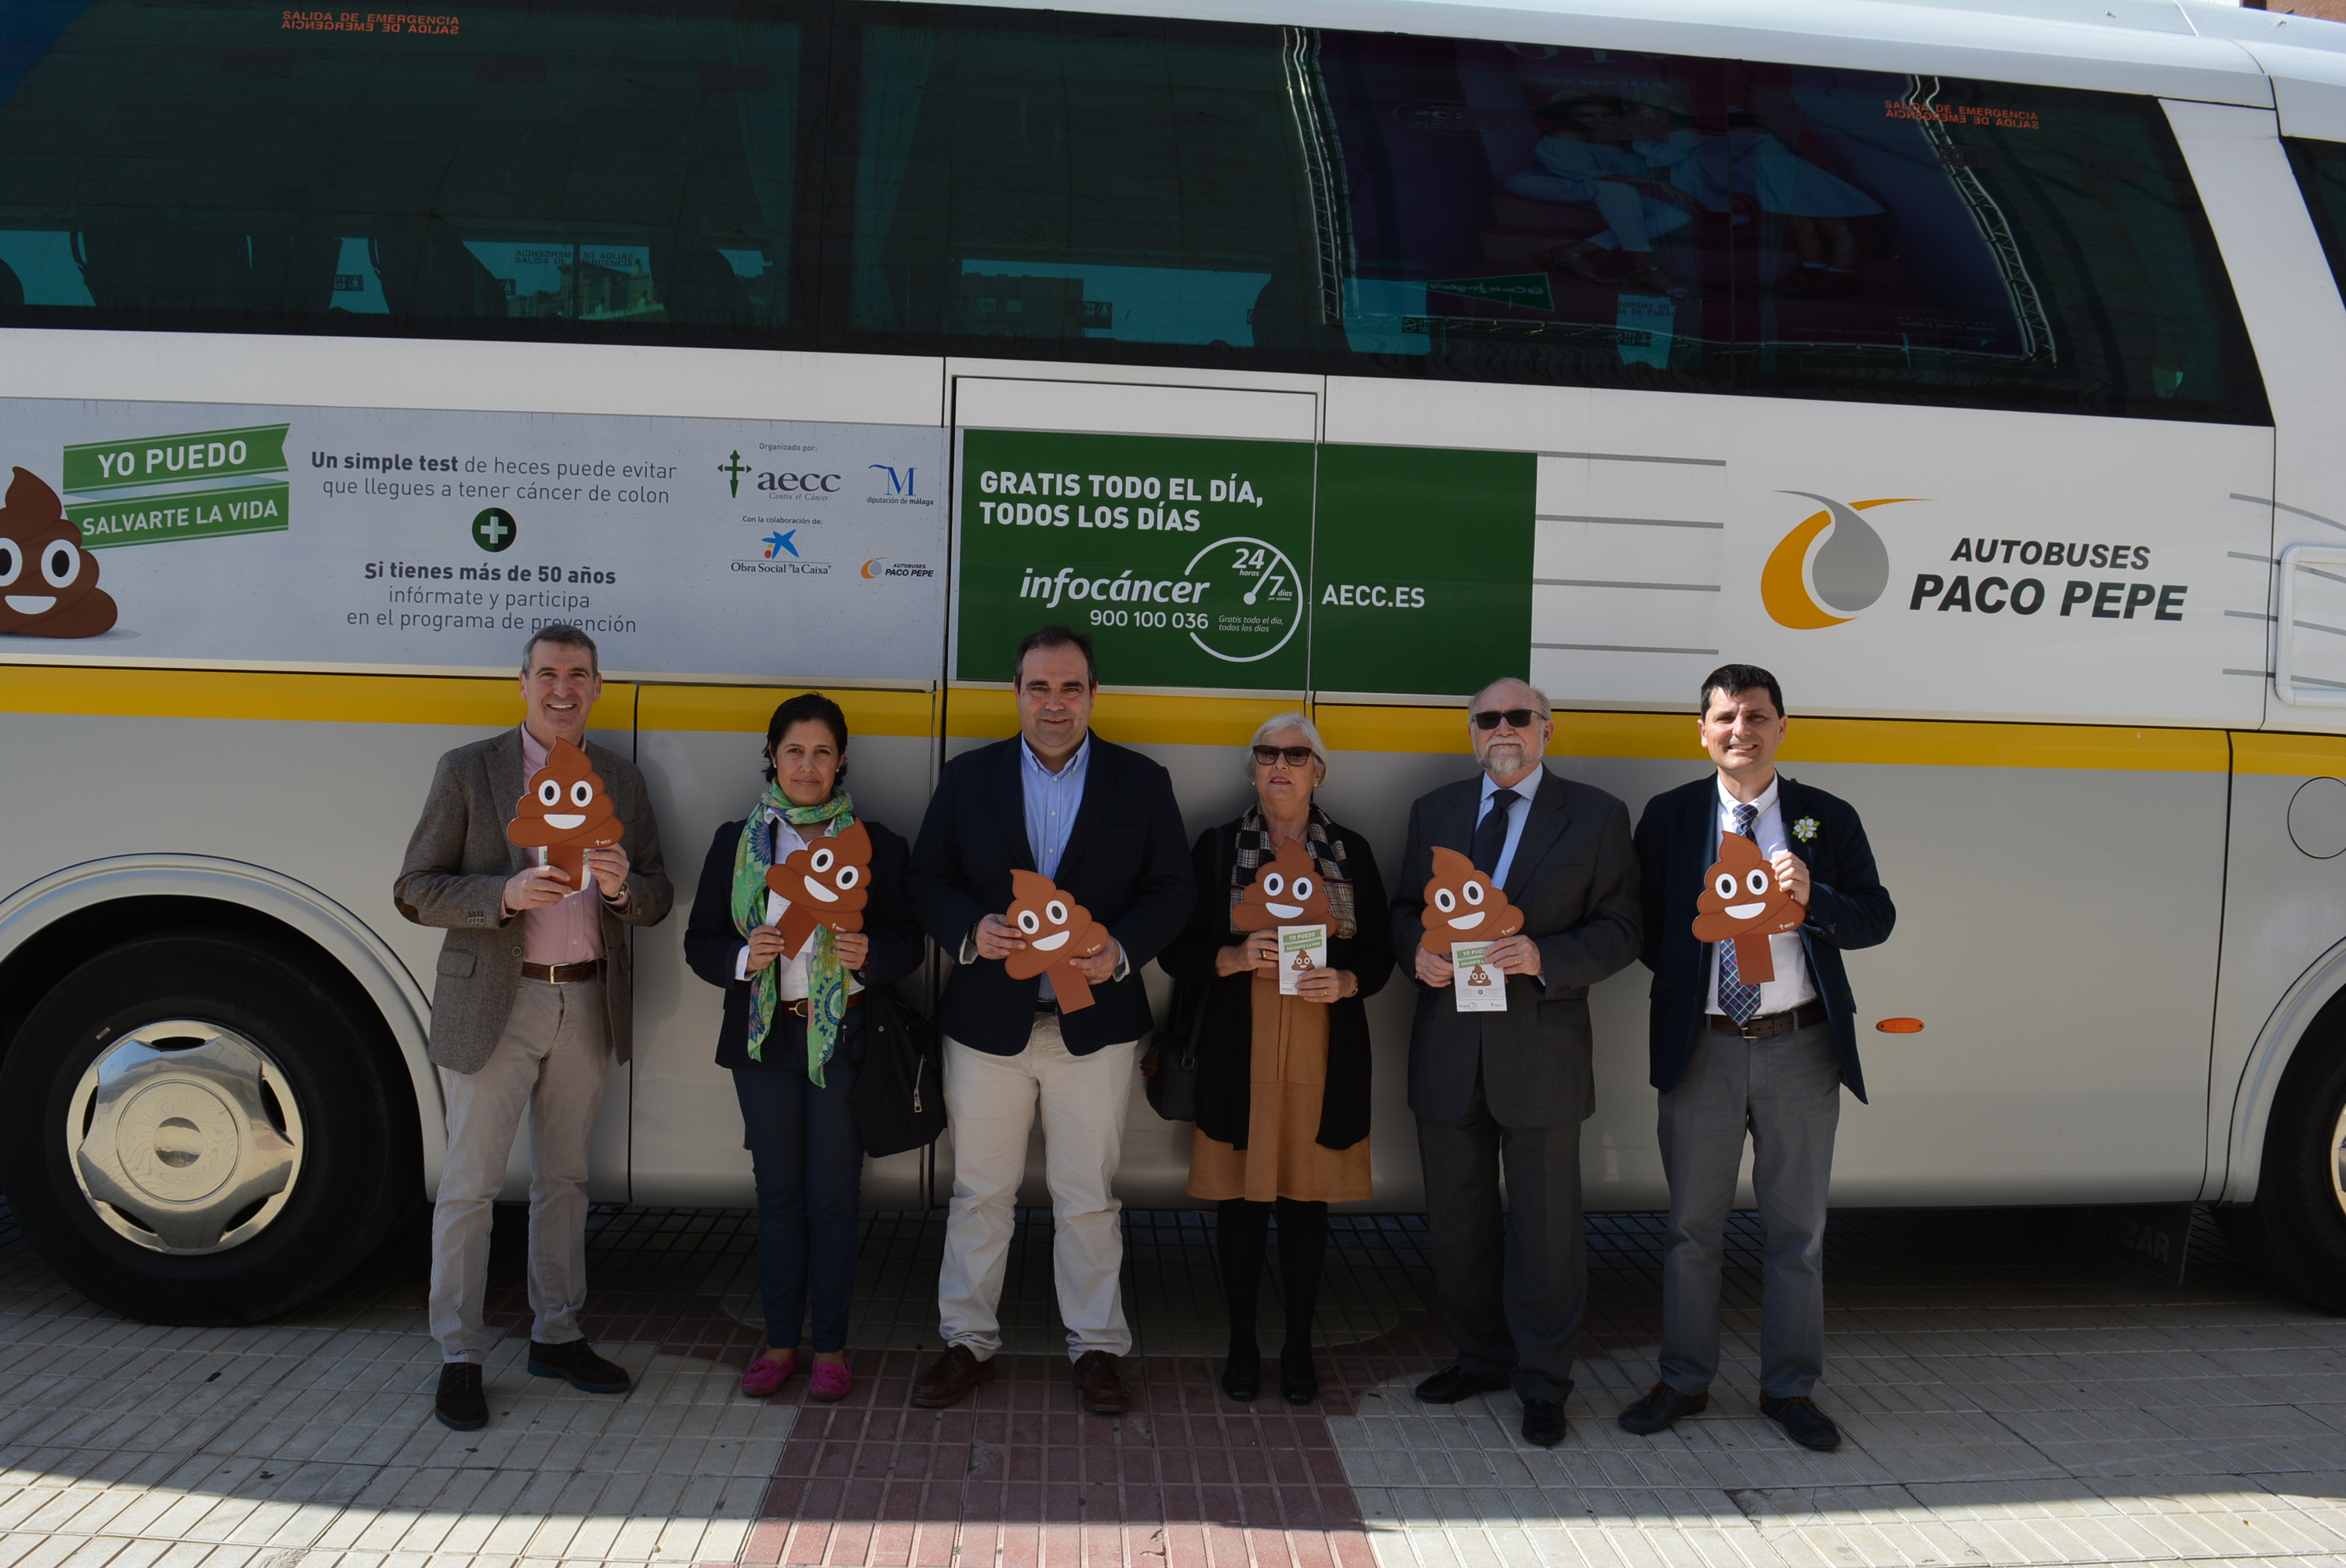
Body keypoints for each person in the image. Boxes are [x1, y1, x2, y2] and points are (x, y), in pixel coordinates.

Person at [905, 625, 1193, 1414]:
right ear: (1017, 693)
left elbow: (1174, 888)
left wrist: (1122, 950)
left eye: (1070, 687)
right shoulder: (969, 777)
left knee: (1087, 1195)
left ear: (1094, 695)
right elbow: (926, 877)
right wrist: (970, 929)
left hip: (1093, 1027)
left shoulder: (1141, 781)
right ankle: (968, 1342)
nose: (1054, 703)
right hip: (987, 1026)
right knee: (979, 1191)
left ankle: (1097, 1348)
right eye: (1039, 686)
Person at [394, 624, 674, 1432]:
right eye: (548, 673)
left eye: (578, 675)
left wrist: (623, 889)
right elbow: (414, 887)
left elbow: (657, 893)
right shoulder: (469, 769)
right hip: (497, 999)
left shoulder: (620, 779)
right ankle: (460, 1354)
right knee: (470, 1185)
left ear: (597, 687)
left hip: (585, 1001)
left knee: (565, 1180)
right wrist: (504, 895)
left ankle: (557, 1334)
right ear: (521, 684)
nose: (563, 689)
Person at [1620, 664, 1895, 1452]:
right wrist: (1697, 984)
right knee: (1690, 1229)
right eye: (1725, 717)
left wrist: (1814, 897)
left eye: (1756, 716)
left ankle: (1790, 1389)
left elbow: (1876, 917)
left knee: (1796, 1232)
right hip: (1702, 1046)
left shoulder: (1824, 816)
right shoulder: (1670, 816)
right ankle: (1683, 1379)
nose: (1740, 730)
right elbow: (1647, 925)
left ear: (1781, 726)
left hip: (1799, 1047)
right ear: (1702, 731)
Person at [1389, 678, 1640, 1447]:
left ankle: (1543, 1381)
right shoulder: (1434, 811)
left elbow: (1623, 929)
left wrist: (1542, 956)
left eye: (1518, 717)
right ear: (1472, 732)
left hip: (1541, 1051)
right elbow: (1403, 910)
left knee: (1546, 1229)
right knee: (1458, 1224)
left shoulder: (1596, 815)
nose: (1503, 728)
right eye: (1487, 718)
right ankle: (1480, 1358)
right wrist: (1415, 951)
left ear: (1546, 730)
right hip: (1448, 1049)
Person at [682, 693, 924, 1404]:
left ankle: (833, 1348)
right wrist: (742, 958)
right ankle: (781, 1343)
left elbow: (909, 942)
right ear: (772, 756)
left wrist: (871, 953)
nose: (808, 766)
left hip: (843, 1037)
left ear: (842, 760)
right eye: (795, 751)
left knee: (834, 1196)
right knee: (780, 1195)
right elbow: (700, 942)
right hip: (765, 1040)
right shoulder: (738, 842)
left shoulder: (878, 844)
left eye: (822, 752)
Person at [1159, 713, 1393, 1406]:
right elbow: (1174, 950)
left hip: (1323, 1044)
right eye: (1267, 755)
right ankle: (1241, 1343)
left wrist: (1347, 981)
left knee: (1304, 1202)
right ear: (1253, 770)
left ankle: (1296, 1345)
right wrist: (1231, 958)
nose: (1281, 765)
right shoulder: (1217, 848)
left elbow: (1382, 952)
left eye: (1296, 754)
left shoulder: (1350, 851)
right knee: (1240, 1200)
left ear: (1319, 771)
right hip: (1240, 1045)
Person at [1506, 96, 1702, 296]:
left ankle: (1573, 251)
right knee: (1619, 189)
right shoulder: (1565, 135)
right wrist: (1655, 182)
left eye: (1607, 114)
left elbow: (1641, 167)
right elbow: (1591, 173)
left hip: (1601, 188)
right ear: (1570, 117)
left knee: (1677, 215)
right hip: (1548, 181)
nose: (1598, 120)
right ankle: (1646, 266)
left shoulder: (1628, 136)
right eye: (1585, 115)